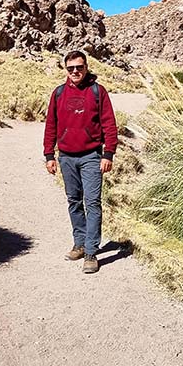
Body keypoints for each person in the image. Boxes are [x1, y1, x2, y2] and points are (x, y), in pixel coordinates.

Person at [43, 49, 118, 274]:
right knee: (74, 201)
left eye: (80, 67)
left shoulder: (98, 91)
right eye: (71, 68)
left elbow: (109, 125)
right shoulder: (58, 94)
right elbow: (51, 126)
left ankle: (91, 252)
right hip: (66, 157)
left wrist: (108, 154)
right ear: (66, 70)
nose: (76, 71)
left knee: (93, 203)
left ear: (86, 67)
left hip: (91, 157)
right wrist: (49, 155)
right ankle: (80, 243)